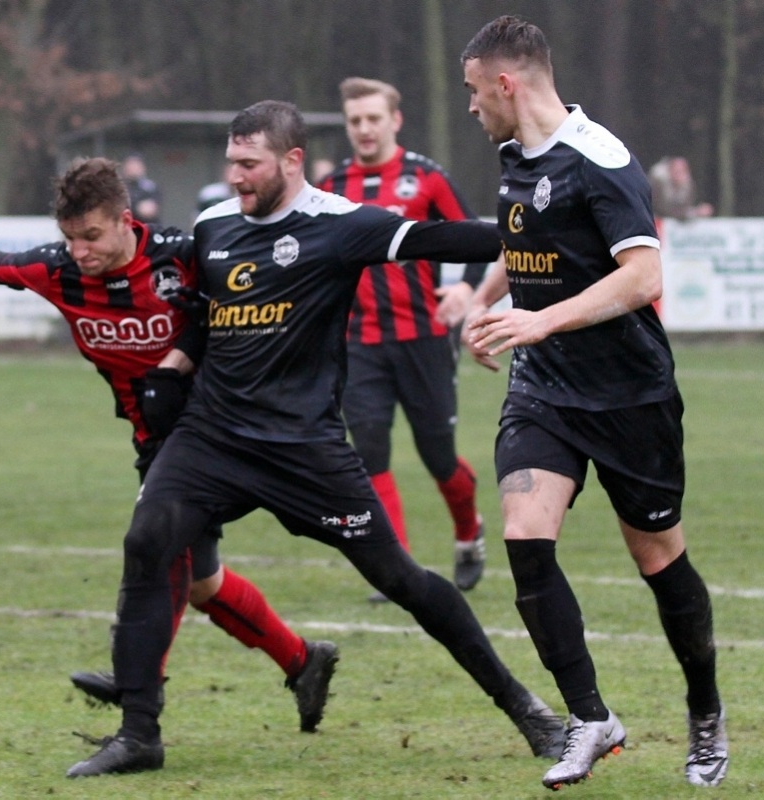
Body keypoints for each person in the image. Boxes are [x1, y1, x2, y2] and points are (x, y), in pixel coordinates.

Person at [64, 100, 567, 779]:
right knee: (147, 538)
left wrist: (531, 234)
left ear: (291, 161)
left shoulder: (337, 224)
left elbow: (435, 240)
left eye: (249, 164)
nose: (235, 178)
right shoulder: (213, 225)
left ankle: (525, 707)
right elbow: (200, 316)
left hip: (304, 448)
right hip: (213, 436)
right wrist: (175, 367)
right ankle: (139, 735)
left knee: (402, 580)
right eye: (230, 163)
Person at [0, 157, 339, 736]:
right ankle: (302, 661)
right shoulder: (60, 272)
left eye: (92, 236)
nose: (80, 251)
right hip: (157, 441)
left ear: (127, 221)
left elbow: (253, 295)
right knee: (201, 581)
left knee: (158, 549)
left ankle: (138, 683)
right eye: (70, 238)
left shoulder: (182, 256)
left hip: (221, 433)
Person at [460, 16, 727, 790]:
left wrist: (540, 319)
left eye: (477, 92)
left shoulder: (600, 160)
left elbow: (643, 276)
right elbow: (525, 246)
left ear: (508, 83)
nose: (472, 107)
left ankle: (704, 707)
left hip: (629, 395)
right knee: (523, 529)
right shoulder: (514, 156)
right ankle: (590, 718)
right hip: (544, 388)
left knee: (657, 556)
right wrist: (488, 308)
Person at [319, 77, 488, 598]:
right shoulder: (330, 189)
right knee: (369, 453)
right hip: (359, 343)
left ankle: (468, 533)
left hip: (423, 339)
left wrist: (463, 287)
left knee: (439, 455)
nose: (364, 129)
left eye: (373, 118)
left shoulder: (427, 178)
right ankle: (398, 568)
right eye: (355, 121)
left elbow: (477, 238)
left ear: (395, 120)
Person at [647, 156, 713, 222]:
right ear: (670, 171)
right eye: (676, 171)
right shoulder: (659, 183)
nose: (679, 175)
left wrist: (695, 212)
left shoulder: (688, 185)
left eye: (682, 171)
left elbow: (683, 209)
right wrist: (695, 212)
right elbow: (665, 210)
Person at [121, 153, 162, 224]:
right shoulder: (119, 187)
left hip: (147, 228)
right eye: (130, 166)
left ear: (143, 168)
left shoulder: (150, 187)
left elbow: (149, 210)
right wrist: (136, 207)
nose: (133, 169)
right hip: (126, 227)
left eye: (136, 166)